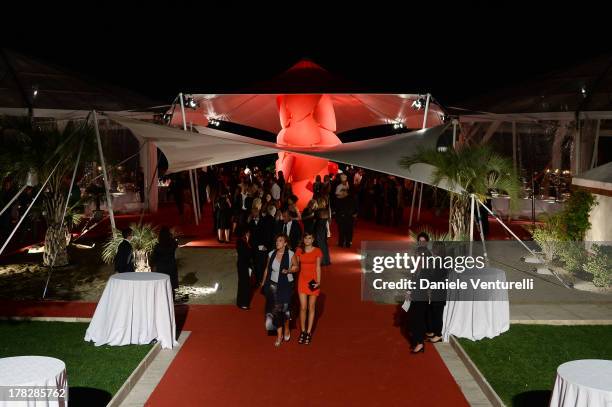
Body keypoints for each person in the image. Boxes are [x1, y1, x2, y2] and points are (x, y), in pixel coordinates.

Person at [260, 234, 298, 347]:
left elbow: (297, 267)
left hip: (286, 285)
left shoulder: (291, 254)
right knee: (275, 311)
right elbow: (267, 268)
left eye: (280, 241)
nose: (277, 243)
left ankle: (287, 328)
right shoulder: (271, 253)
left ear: (285, 243)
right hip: (273, 285)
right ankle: (279, 335)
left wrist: (289, 270)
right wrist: (263, 283)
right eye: (277, 241)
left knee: (285, 310)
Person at [295, 232, 322, 345]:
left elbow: (318, 267)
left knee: (311, 307)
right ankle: (303, 331)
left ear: (313, 239)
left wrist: (318, 282)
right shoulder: (299, 250)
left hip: (313, 282)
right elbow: (296, 266)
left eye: (309, 238)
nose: (307, 240)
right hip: (302, 280)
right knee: (303, 307)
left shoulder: (317, 251)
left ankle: (309, 332)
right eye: (305, 238)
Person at [408, 232, 431, 353]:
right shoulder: (416, 254)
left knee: (419, 318)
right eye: (419, 241)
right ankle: (418, 340)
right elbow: (413, 274)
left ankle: (420, 343)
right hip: (415, 289)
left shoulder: (428, 256)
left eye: (423, 241)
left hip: (423, 292)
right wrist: (409, 289)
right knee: (413, 317)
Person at [152, 227, 179, 297]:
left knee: (162, 287)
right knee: (171, 287)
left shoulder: (157, 246)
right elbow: (176, 242)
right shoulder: (172, 244)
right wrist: (172, 236)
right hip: (171, 267)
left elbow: (153, 258)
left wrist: (153, 266)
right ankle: (171, 303)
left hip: (161, 268)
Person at [235, 227, 252, 309]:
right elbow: (246, 254)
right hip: (243, 265)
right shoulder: (241, 242)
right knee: (244, 284)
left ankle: (241, 302)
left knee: (244, 283)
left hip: (244, 265)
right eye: (248, 233)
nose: (250, 234)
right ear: (245, 233)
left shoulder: (243, 241)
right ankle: (243, 303)